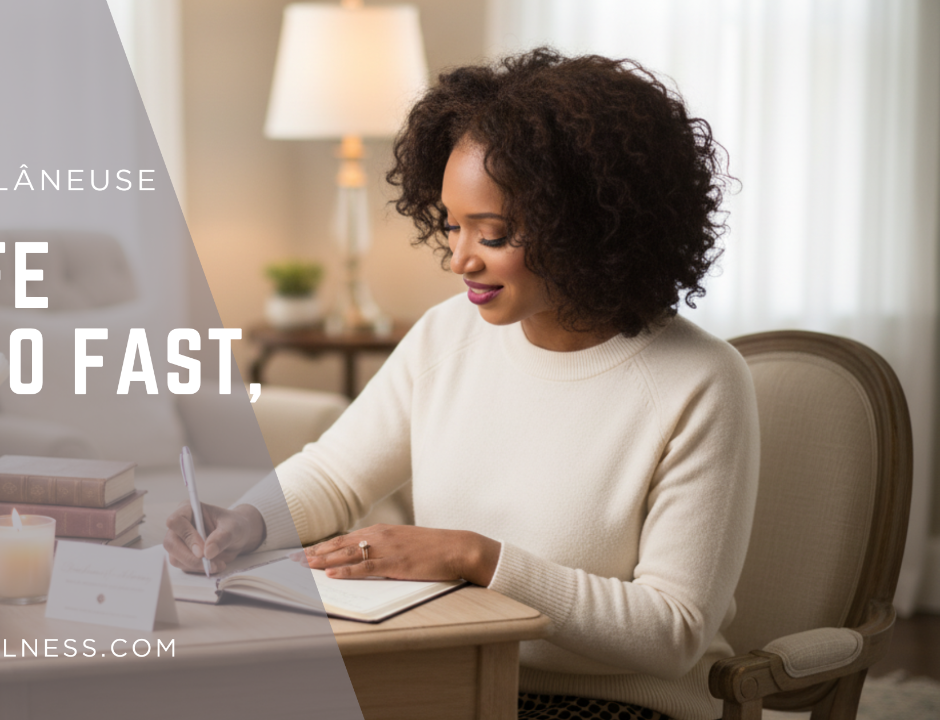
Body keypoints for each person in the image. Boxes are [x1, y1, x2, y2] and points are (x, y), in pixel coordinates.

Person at [165, 48, 759, 720]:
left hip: (612, 704)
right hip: (448, 672)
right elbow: (336, 475)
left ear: (589, 228)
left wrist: (469, 555)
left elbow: (672, 632)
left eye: (494, 232)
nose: (458, 258)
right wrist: (244, 521)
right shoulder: (448, 334)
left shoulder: (700, 383)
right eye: (451, 223)